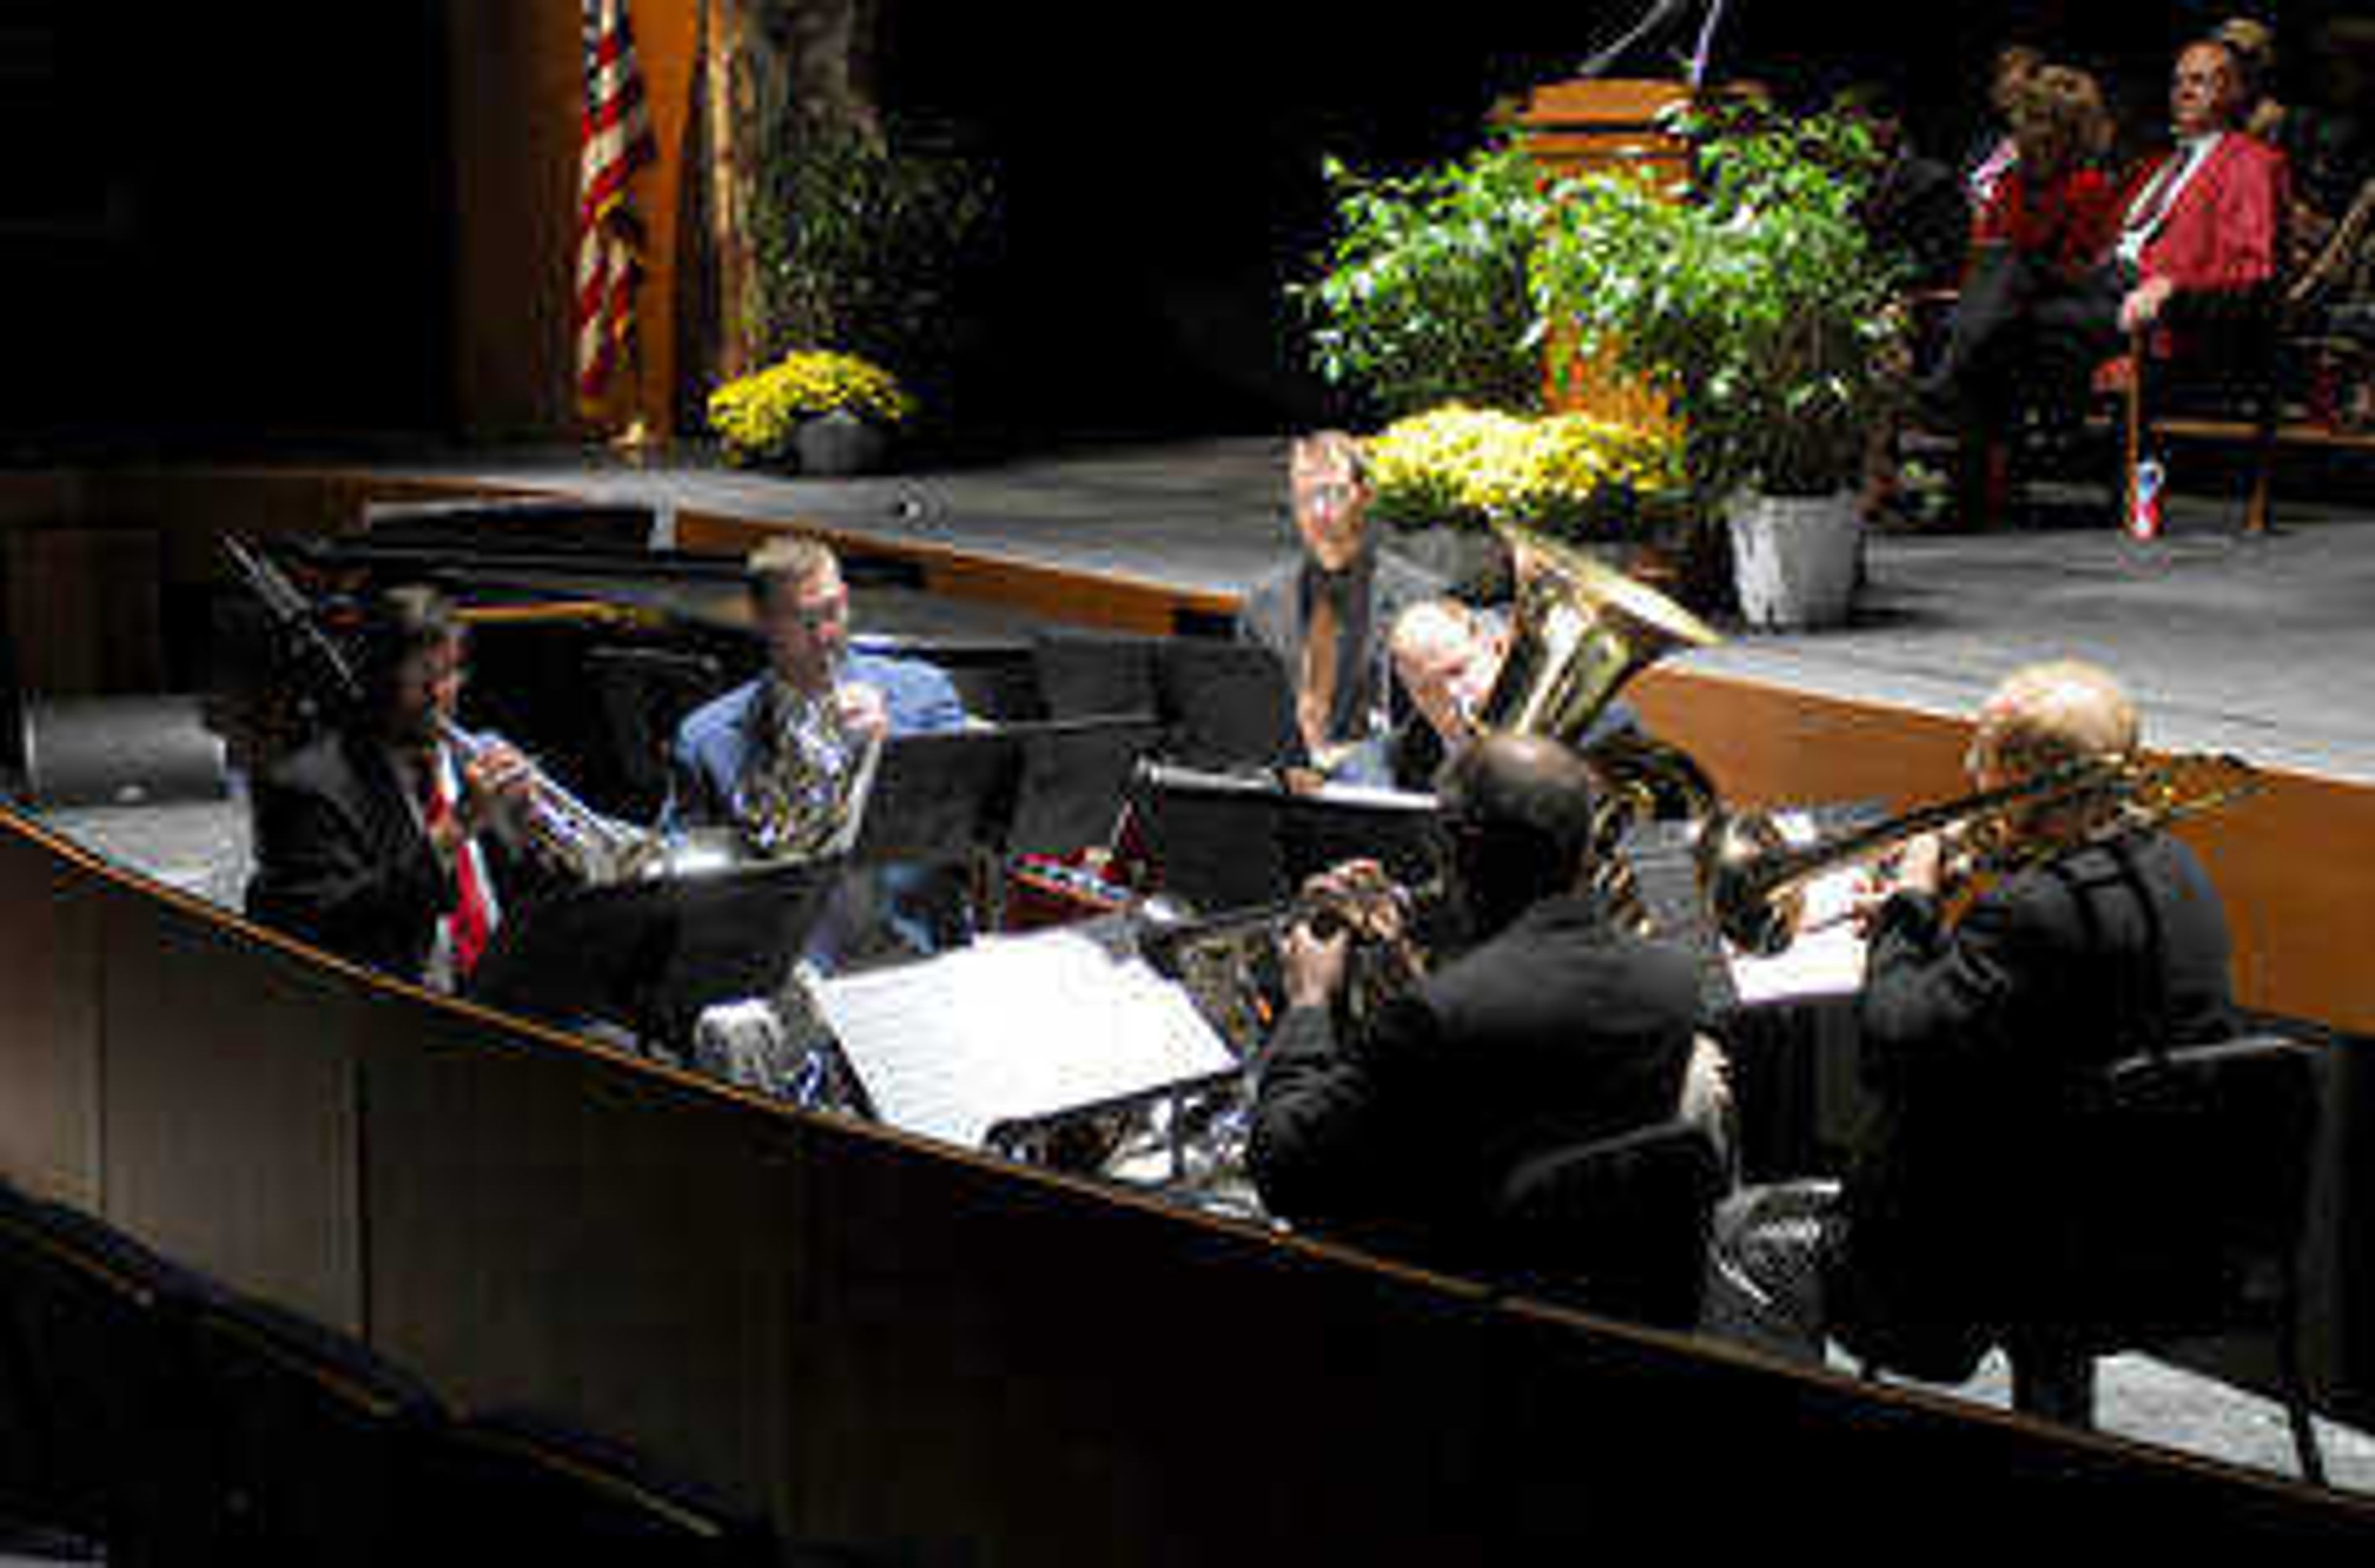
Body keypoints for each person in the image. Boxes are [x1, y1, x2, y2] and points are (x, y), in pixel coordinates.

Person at [1701, 659, 2238, 1382]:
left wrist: (1910, 902)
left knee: (1734, 1238)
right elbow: (2029, 1008)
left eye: (1981, 750)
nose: (1966, 765)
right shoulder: (2177, 868)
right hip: (2151, 1231)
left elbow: (1889, 1046)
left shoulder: (2030, 912)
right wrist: (1940, 912)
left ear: (2023, 770)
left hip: (1988, 1254)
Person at [1246, 733, 1710, 1277]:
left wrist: (1308, 1000)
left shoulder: (1442, 1014)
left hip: (1442, 1296)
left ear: (1453, 846)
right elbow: (1489, 1085)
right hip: (1599, 1289)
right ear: (1587, 845)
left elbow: (1282, 1170)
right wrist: (1400, 967)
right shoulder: (1672, 980)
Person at [1920, 36, 2290, 523]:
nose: (2183, 92)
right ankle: (1959, 423)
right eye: (2179, 81)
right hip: (2101, 282)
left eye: (2200, 81)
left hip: (2158, 304)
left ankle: (1956, 455)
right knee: (2005, 262)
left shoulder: (2251, 162)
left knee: (2002, 330)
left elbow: (2253, 267)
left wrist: (2173, 288)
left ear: (2237, 91)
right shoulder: (2158, 164)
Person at [664, 534, 970, 967]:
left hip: (907, 952)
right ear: (762, 619)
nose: (826, 634)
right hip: (783, 969)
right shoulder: (706, 737)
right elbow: (683, 878)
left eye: (833, 610)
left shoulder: (923, 695)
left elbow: (964, 834)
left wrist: (892, 752)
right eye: (803, 620)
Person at [245, 584, 544, 992]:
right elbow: (334, 931)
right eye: (422, 678)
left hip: (505, 985)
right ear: (377, 678)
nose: (440, 695)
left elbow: (530, 906)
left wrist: (528, 835)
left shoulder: (465, 762)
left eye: (450, 672)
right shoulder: (307, 789)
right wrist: (456, 828)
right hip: (403, 1009)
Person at [1235, 432, 1444, 786]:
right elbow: (1251, 712)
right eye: (1305, 497)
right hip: (1282, 781)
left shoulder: (1420, 598)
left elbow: (1429, 727)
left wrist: (1349, 760)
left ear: (1365, 496)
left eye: (1334, 494)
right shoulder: (1264, 603)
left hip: (1377, 782)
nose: (1320, 513)